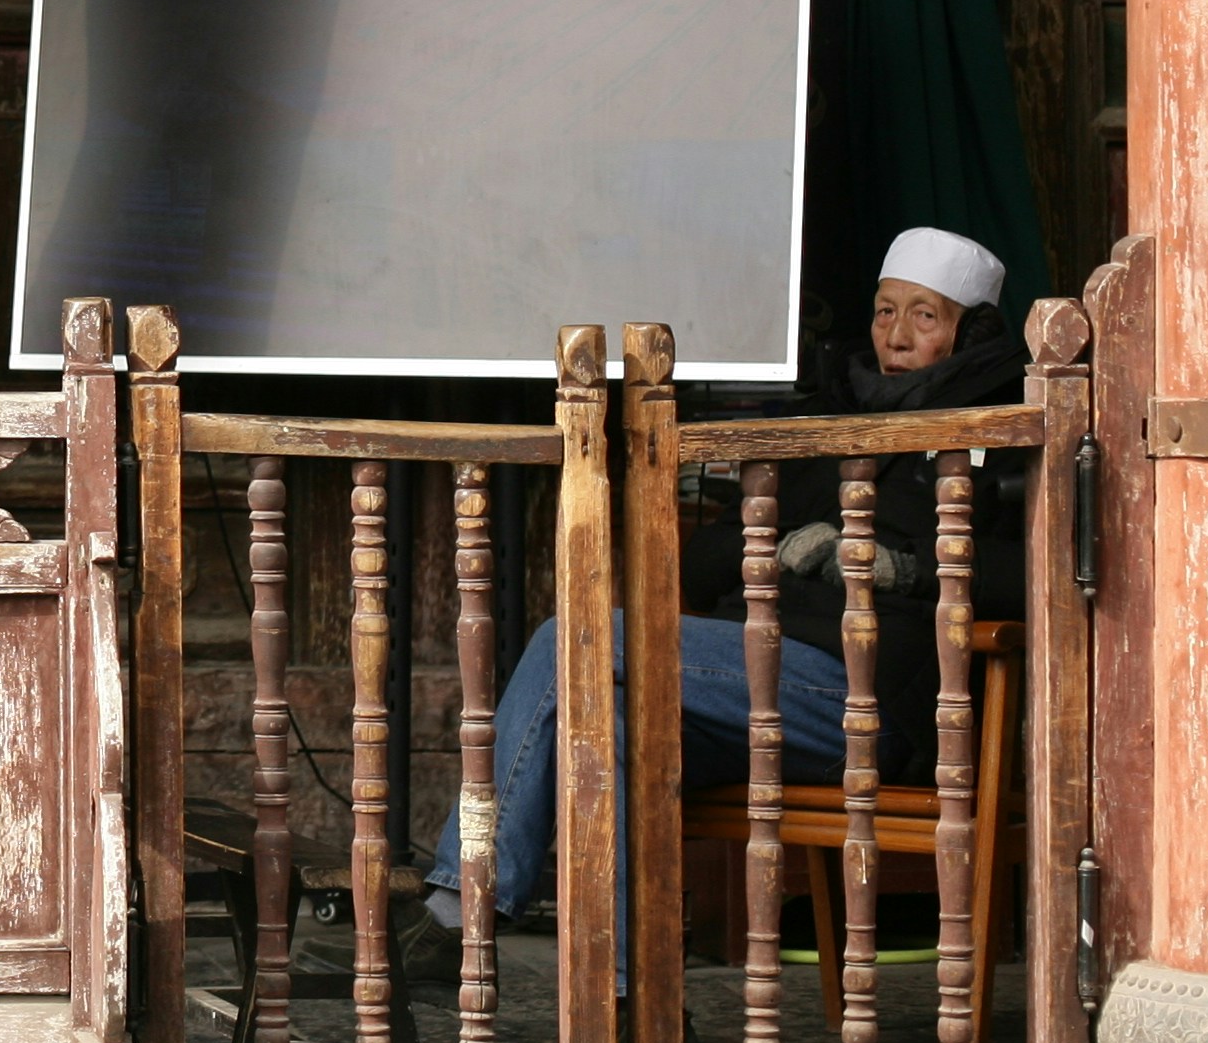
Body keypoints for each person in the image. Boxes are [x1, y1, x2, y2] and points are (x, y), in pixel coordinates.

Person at [410, 226, 1027, 957]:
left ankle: (458, 915)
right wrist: (773, 551)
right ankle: (628, 1006)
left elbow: (1029, 572)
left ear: (971, 331)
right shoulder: (829, 425)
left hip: (865, 697)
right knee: (605, 728)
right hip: (755, 677)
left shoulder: (1006, 434)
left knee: (573, 638)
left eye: (923, 316)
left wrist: (908, 565)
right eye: (884, 311)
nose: (895, 335)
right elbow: (701, 564)